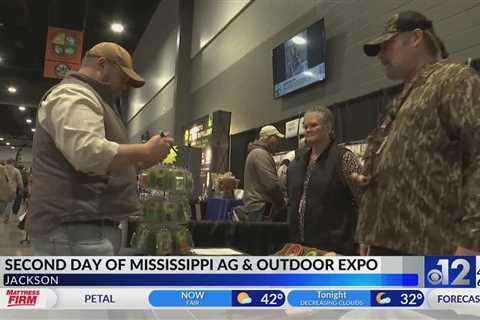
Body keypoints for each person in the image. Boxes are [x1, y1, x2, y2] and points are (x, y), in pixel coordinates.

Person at [27, 42, 173, 256]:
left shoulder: (91, 99)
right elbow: (87, 152)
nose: (125, 87)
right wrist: (144, 151)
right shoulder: (73, 94)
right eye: (123, 77)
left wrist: (141, 161)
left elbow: (94, 160)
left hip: (84, 231)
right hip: (75, 232)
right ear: (102, 64)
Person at [355, 11, 480, 256]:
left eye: (387, 45)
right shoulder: (404, 97)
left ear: (415, 38)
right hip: (389, 246)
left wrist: (472, 240)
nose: (381, 55)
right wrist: (368, 232)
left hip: (433, 250)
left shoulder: (455, 80)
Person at [287, 106, 362, 255]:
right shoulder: (298, 161)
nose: (307, 130)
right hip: (301, 248)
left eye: (313, 125)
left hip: (335, 247)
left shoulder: (344, 158)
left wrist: (361, 239)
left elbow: (363, 200)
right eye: (305, 126)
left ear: (328, 127)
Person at [236, 125, 286, 222]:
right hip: (260, 209)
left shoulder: (256, 153)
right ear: (267, 138)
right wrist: (282, 202)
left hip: (255, 208)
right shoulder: (260, 154)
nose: (278, 141)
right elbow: (271, 185)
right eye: (275, 138)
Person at [3, 159, 23, 223]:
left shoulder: (2, 169)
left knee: (3, 204)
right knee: (9, 204)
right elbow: (20, 182)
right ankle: (6, 218)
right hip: (12, 190)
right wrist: (21, 189)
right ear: (13, 163)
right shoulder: (16, 171)